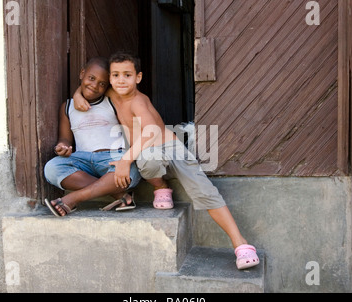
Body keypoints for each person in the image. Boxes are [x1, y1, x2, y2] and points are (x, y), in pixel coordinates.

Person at [73, 52, 259, 270]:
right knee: (148, 161)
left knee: (203, 191)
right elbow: (92, 87)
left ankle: (241, 244)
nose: (121, 80)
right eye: (116, 75)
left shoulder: (138, 101)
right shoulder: (113, 93)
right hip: (148, 153)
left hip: (171, 149)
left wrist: (125, 160)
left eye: (127, 75)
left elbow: (151, 131)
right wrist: (78, 94)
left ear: (138, 78)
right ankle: (161, 187)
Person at [44, 56, 142, 216]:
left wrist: (78, 93)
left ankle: (74, 198)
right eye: (91, 78)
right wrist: (62, 147)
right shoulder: (67, 107)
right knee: (52, 168)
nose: (95, 86)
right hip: (82, 160)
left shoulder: (112, 101)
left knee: (131, 169)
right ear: (82, 74)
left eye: (102, 83)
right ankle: (118, 194)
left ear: (108, 85)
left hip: (113, 157)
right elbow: (65, 138)